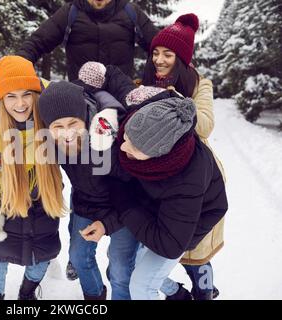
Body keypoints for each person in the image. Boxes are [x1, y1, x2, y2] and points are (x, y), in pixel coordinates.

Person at [76, 13, 226, 300]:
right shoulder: (143, 81)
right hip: (148, 173)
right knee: (147, 254)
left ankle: (203, 284)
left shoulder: (198, 84)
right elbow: (125, 97)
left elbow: (204, 123)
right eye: (155, 53)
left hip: (187, 172)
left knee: (192, 246)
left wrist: (166, 101)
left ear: (181, 58)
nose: (159, 60)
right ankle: (170, 289)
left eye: (168, 54)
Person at [81, 96, 228, 300]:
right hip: (155, 207)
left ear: (159, 155)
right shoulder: (143, 128)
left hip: (185, 226)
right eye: (126, 138)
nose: (123, 147)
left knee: (141, 285)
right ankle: (176, 293)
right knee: (132, 266)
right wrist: (107, 223)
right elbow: (130, 188)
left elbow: (169, 244)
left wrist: (122, 202)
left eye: (134, 147)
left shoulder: (187, 181)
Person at [0, 56, 66, 300]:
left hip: (45, 194)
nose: (20, 104)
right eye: (11, 96)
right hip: (5, 198)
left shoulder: (50, 115)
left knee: (43, 254)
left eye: (26, 94)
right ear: (1, 98)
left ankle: (27, 294)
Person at [37, 81, 139, 300]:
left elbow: (134, 190)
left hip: (125, 207)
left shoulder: (108, 140)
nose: (67, 134)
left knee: (121, 269)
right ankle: (95, 296)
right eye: (57, 127)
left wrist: (108, 224)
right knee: (78, 256)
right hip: (86, 203)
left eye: (73, 123)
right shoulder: (52, 143)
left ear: (84, 117)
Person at [17, 0, 158, 81]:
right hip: (81, 97)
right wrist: (15, 67)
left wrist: (152, 81)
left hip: (121, 96)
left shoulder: (131, 12)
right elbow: (37, 42)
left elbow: (159, 47)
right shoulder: (70, 12)